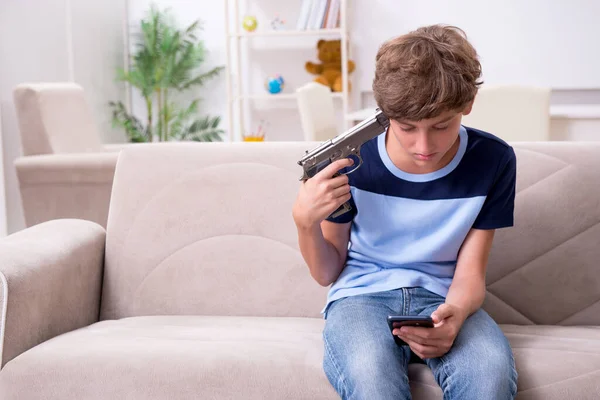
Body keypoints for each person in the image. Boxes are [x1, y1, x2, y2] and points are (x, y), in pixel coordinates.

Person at [292, 24, 518, 400]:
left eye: (441, 125)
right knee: (371, 381)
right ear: (384, 113)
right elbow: (327, 272)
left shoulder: (493, 160)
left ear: (467, 105)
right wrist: (304, 222)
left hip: (445, 297)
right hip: (360, 298)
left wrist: (457, 312)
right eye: (406, 127)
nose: (423, 146)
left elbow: (471, 274)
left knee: (488, 376)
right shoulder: (352, 160)